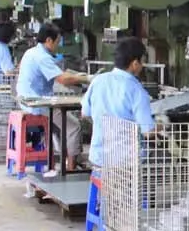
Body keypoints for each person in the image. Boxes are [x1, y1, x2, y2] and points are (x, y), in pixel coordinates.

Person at [16, 22, 89, 173]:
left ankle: (70, 159)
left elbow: (59, 74)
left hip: (27, 100)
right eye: (57, 42)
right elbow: (63, 79)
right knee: (74, 126)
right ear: (49, 40)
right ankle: (70, 168)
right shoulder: (42, 57)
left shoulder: (31, 52)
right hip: (38, 104)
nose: (58, 46)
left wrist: (76, 76)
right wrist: (87, 78)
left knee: (62, 125)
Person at [81, 37, 156, 169]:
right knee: (159, 160)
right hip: (127, 162)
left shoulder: (98, 81)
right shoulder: (137, 90)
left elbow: (85, 114)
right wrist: (161, 126)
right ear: (135, 63)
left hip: (99, 159)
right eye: (143, 61)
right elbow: (148, 132)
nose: (142, 65)